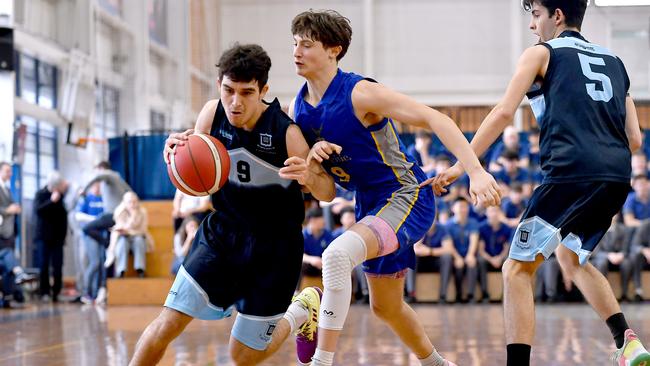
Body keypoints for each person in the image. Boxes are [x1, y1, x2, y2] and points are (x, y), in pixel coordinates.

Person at [430, 1, 650, 364]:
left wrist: (461, 167)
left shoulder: (541, 54)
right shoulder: (615, 62)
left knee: (515, 269)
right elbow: (636, 140)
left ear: (557, 15)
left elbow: (503, 112)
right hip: (616, 174)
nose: (533, 25)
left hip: (571, 170)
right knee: (570, 257)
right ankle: (627, 342)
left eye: (536, 15)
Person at [289, 10, 501, 366]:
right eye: (294, 43)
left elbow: (437, 118)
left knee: (336, 257)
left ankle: (321, 362)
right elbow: (326, 194)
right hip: (369, 204)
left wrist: (474, 171)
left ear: (333, 50)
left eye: (307, 44)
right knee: (385, 307)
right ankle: (437, 364)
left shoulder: (361, 93)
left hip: (405, 195)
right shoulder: (300, 110)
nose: (296, 51)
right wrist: (310, 171)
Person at [130, 43, 336, 366]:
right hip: (222, 235)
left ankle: (302, 310)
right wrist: (173, 155)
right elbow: (194, 168)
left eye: (246, 93)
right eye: (228, 90)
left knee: (242, 356)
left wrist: (311, 176)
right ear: (219, 85)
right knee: (168, 322)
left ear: (263, 90)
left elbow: (328, 193)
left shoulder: (286, 133)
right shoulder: (211, 115)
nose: (235, 102)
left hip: (275, 248)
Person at [33, 171, 69, 303]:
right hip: (43, 237)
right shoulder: (40, 194)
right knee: (43, 265)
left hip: (57, 239)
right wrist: (51, 201)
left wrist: (63, 236)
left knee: (58, 266)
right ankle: (44, 292)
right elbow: (38, 210)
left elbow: (63, 218)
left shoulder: (61, 197)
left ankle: (56, 292)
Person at [112, 191, 150, 278]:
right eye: (130, 202)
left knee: (139, 240)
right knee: (122, 242)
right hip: (123, 238)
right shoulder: (119, 212)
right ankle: (120, 271)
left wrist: (133, 216)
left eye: (134, 201)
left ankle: (140, 269)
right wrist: (129, 229)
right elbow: (121, 228)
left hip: (139, 237)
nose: (132, 204)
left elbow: (143, 230)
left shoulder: (143, 212)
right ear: (124, 203)